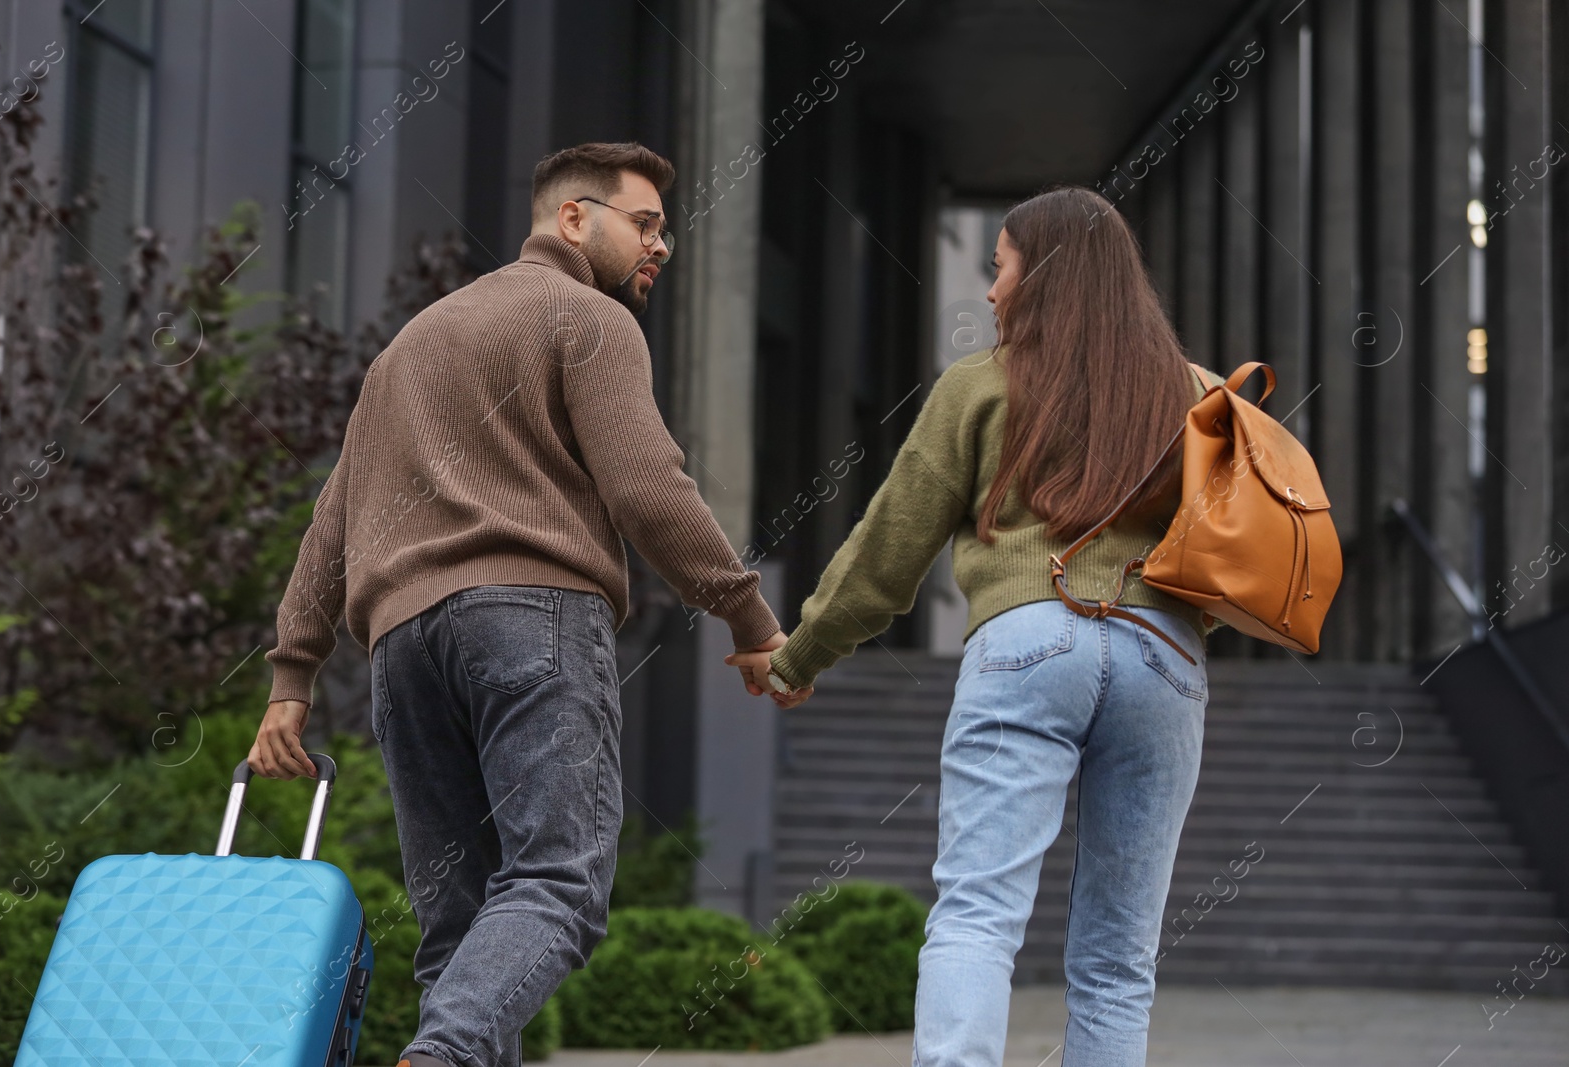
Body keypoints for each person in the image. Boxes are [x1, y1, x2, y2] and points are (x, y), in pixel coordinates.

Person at [247, 141, 786, 1067]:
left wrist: (291, 676)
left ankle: (443, 1047)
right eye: (646, 224)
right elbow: (649, 488)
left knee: (460, 923)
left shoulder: (407, 348)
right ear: (573, 217)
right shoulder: (587, 316)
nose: (663, 247)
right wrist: (747, 615)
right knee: (559, 881)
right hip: (531, 615)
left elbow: (331, 522)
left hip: (403, 647)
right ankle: (442, 1056)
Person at [728, 185, 1227, 1067]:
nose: (991, 292)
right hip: (1164, 658)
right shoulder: (1199, 397)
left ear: (1043, 279)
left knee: (977, 914)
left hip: (1030, 640)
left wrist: (799, 655)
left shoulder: (982, 385)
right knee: (1120, 954)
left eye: (1000, 269)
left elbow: (888, 550)